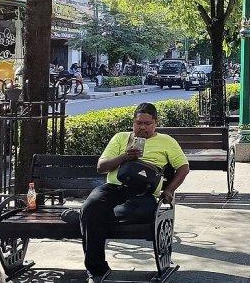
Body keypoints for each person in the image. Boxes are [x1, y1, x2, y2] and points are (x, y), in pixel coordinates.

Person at [81, 103, 190, 282]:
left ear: (155, 123)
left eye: (147, 123)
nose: (143, 127)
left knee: (138, 211)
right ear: (133, 123)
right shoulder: (120, 138)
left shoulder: (167, 141)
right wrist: (125, 156)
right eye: (139, 123)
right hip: (114, 188)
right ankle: (97, 270)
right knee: (92, 205)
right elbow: (101, 167)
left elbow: (183, 167)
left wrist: (169, 190)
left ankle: (84, 217)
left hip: (144, 193)